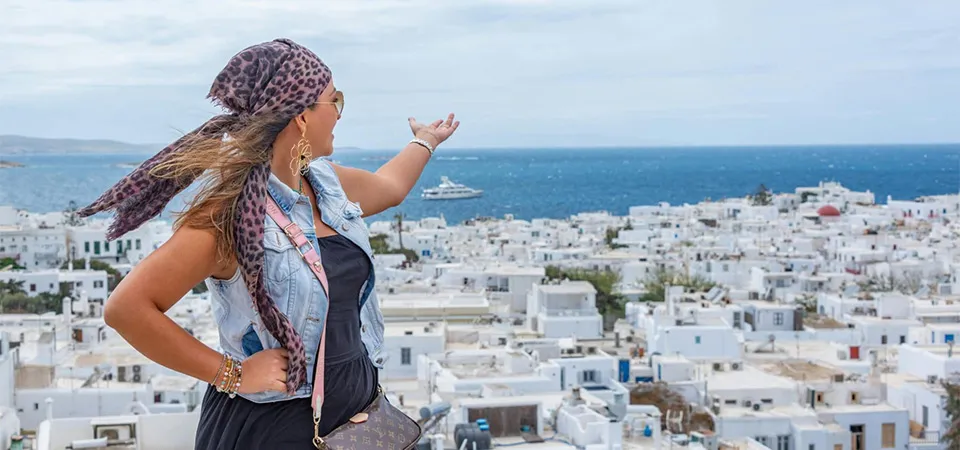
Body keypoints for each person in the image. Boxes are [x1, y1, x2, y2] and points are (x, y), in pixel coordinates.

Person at [77, 38, 459, 449]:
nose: (339, 113)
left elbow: (390, 186)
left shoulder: (325, 183)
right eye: (335, 100)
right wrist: (233, 375)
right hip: (275, 427)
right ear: (301, 115)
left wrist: (425, 141)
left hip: (353, 419)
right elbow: (126, 309)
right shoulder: (229, 217)